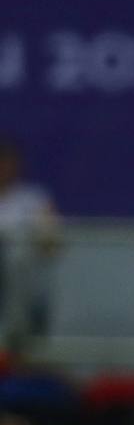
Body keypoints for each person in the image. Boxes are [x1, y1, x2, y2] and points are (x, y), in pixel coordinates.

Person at [0, 139, 59, 347]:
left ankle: (16, 332)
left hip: (24, 273)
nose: (3, 168)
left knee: (16, 257)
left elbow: (52, 244)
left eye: (8, 163)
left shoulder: (34, 199)